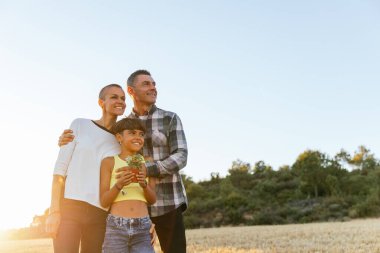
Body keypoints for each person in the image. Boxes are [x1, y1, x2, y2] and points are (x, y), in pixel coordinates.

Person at [59, 70, 188, 253]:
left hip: (169, 202)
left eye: (154, 84)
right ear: (132, 91)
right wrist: (66, 140)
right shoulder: (124, 126)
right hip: (132, 208)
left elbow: (181, 155)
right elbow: (97, 143)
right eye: (146, 84)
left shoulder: (170, 118)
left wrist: (147, 169)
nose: (153, 87)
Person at [100, 118, 156, 253]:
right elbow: (104, 201)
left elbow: (153, 199)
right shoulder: (109, 162)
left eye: (141, 134)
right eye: (132, 133)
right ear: (119, 137)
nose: (138, 137)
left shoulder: (148, 162)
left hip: (143, 226)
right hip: (116, 227)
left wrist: (144, 184)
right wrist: (119, 185)